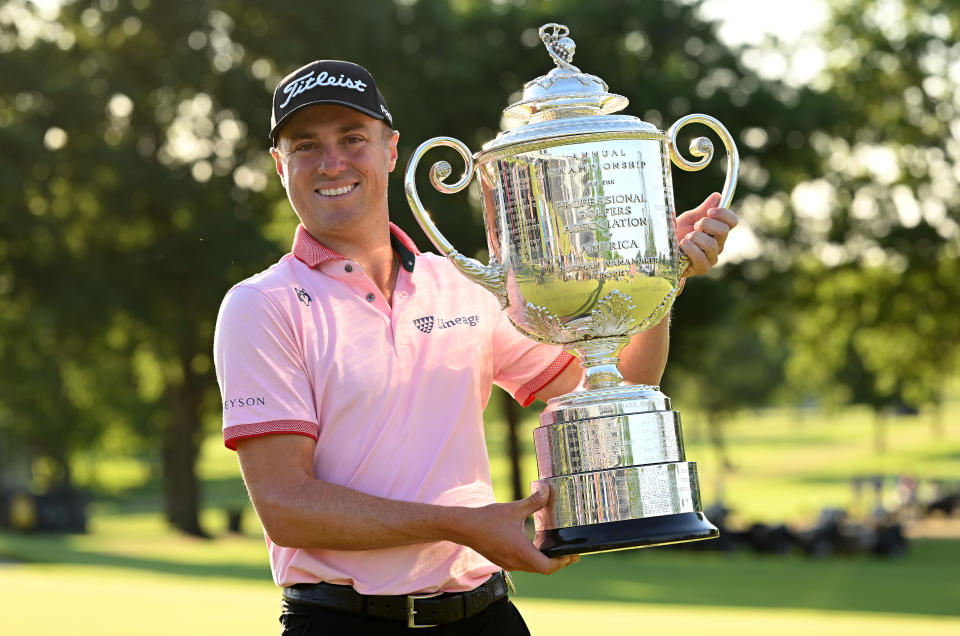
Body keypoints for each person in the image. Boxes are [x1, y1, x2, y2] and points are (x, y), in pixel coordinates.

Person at [213, 59, 738, 635]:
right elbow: (287, 508)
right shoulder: (262, 304)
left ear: (390, 149)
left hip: (484, 617)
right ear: (280, 165)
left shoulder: (463, 284)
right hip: (343, 623)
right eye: (306, 145)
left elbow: (616, 389)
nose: (332, 161)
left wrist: (659, 280)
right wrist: (464, 525)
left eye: (353, 138)